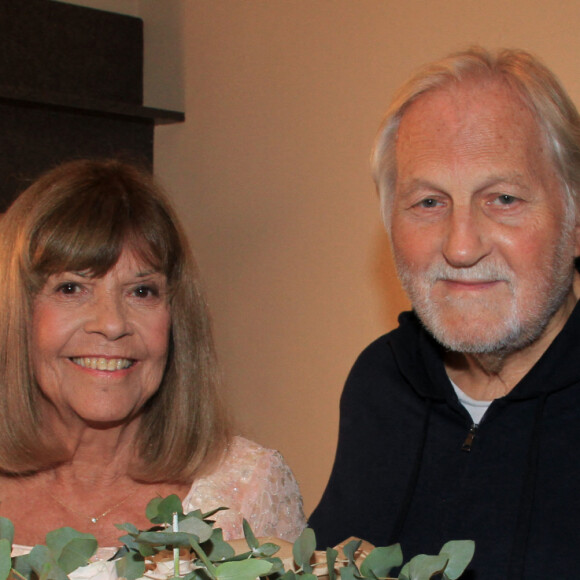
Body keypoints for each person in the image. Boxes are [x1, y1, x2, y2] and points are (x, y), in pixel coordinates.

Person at [308, 47, 580, 579]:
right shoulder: (380, 385)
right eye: (429, 203)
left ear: (575, 221)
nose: (460, 247)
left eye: (502, 198)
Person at [0, 159, 305, 559]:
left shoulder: (249, 489)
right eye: (71, 288)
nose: (111, 324)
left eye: (141, 292)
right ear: (16, 312)